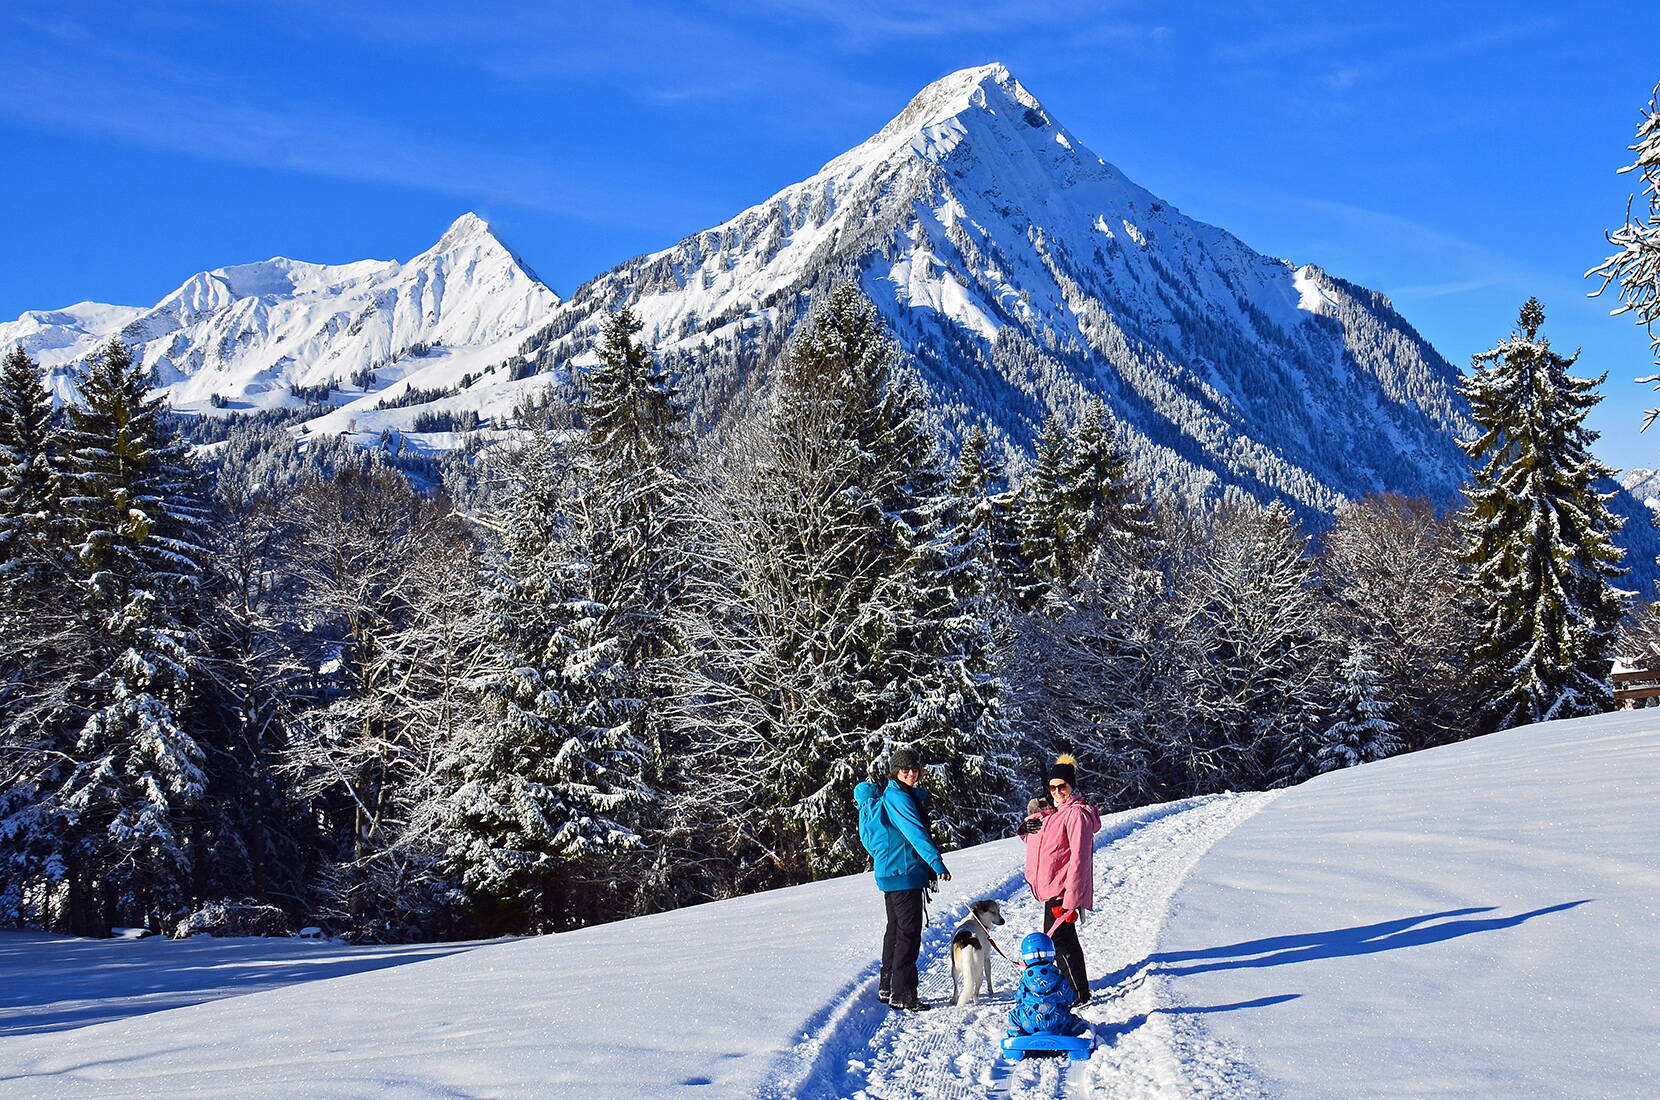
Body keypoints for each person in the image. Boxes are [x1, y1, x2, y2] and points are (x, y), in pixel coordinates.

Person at [854, 748, 951, 1012]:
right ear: (895, 772)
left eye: (915, 768)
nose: (911, 773)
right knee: (908, 935)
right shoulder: (899, 798)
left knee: (895, 931)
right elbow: (915, 832)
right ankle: (903, 994)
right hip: (904, 873)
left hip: (892, 872)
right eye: (905, 769)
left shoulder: (893, 795)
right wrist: (935, 861)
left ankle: (887, 987)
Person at [1017, 754, 1100, 1006]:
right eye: (1052, 787)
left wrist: (1072, 898)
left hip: (1064, 891)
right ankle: (1074, 988)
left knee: (1060, 941)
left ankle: (1077, 993)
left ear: (1071, 786)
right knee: (1061, 939)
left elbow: (1080, 859)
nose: (1057, 792)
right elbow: (1039, 844)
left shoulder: (1075, 815)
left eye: (1061, 786)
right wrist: (1025, 829)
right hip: (1051, 890)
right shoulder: (1052, 814)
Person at [1007, 932, 1086, 1038]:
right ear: (1052, 954)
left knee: (1014, 1015)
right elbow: (1070, 997)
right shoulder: (1059, 977)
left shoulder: (1025, 980)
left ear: (1025, 958)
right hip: (1058, 1023)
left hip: (1029, 1024)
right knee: (1073, 1020)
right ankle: (1080, 1034)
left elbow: (1018, 997)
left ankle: (1015, 1035)